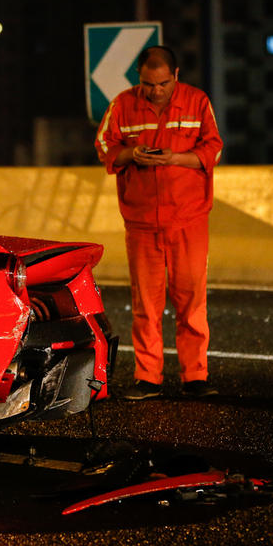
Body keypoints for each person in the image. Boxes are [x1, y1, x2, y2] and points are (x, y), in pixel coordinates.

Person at [94, 45, 223, 400]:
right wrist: (131, 154)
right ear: (139, 78)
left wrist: (177, 158)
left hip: (189, 217)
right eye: (148, 84)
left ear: (176, 76)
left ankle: (195, 376)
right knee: (146, 304)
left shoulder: (197, 102)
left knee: (191, 300)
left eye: (163, 83)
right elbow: (104, 145)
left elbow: (214, 148)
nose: (156, 91)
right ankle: (148, 377)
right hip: (141, 220)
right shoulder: (122, 104)